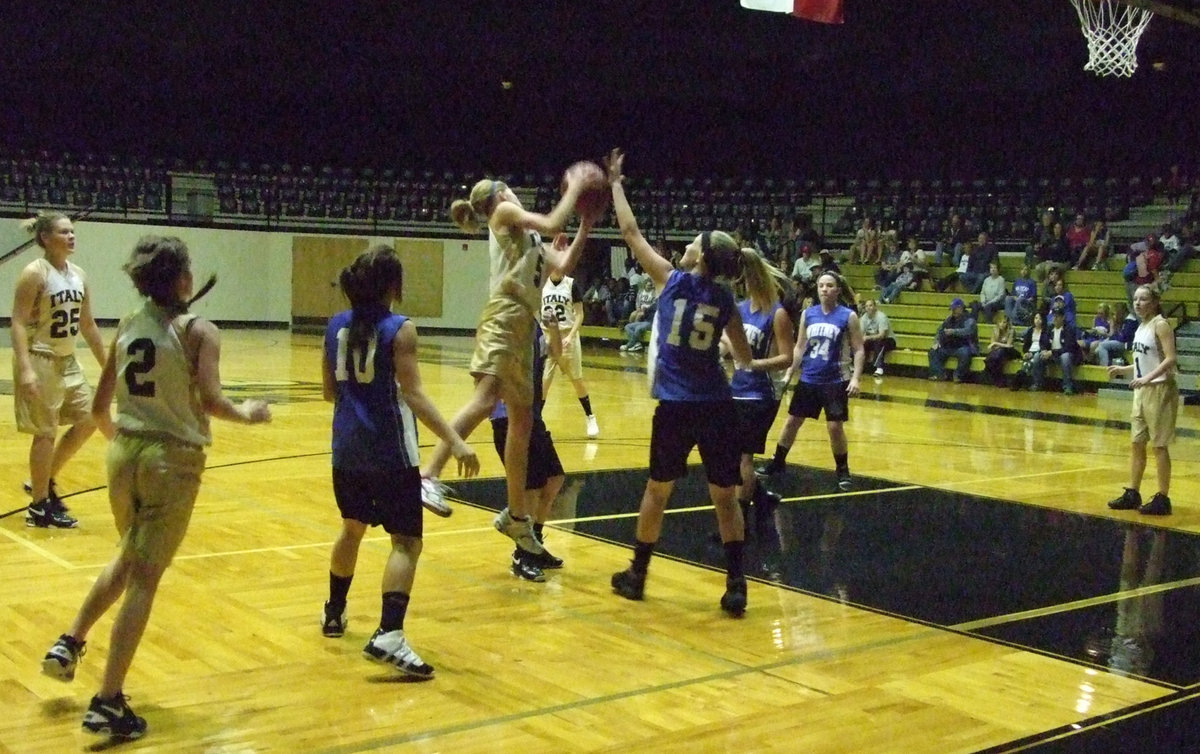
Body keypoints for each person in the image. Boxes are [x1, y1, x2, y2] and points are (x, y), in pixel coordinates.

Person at [40, 236, 272, 739]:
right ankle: (107, 702)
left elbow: (101, 408)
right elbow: (212, 402)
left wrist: (129, 445)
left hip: (122, 452)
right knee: (144, 577)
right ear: (184, 279)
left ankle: (70, 641)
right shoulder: (200, 332)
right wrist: (249, 415)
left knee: (128, 556)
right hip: (172, 460)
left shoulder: (127, 324)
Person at [604, 149, 756, 617]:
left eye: (693, 241)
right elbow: (745, 359)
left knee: (657, 490)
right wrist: (730, 351)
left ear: (699, 258)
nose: (686, 244)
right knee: (724, 497)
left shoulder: (670, 281)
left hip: (675, 406)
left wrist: (615, 182)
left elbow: (629, 232)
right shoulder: (726, 297)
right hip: (715, 405)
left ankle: (637, 575)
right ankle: (736, 585)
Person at [320, 246, 480, 678]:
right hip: (390, 453)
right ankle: (389, 633)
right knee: (406, 542)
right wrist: (455, 441)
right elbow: (414, 395)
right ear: (394, 286)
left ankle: (334, 612)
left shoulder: (335, 325)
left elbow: (329, 393)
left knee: (351, 529)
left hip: (345, 450)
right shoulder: (400, 329)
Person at [418, 175, 593, 563]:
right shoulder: (503, 211)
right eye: (510, 188)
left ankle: (517, 517)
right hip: (503, 316)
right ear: (500, 194)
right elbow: (548, 223)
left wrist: (586, 225)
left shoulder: (527, 239)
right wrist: (576, 191)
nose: (515, 191)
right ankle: (428, 475)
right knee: (483, 401)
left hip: (524, 325)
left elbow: (563, 263)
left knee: (523, 420)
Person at [10, 211, 110, 528]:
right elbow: (17, 321)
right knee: (45, 432)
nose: (71, 236)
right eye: (64, 232)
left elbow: (89, 324)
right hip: (40, 357)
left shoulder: (78, 274)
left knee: (90, 417)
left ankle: (43, 479)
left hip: (67, 360)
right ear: (45, 238)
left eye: (72, 231)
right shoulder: (34, 273)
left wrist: (107, 366)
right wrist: (25, 368)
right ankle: (39, 506)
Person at [757, 271, 865, 492]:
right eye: (821, 285)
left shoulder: (848, 316)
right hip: (809, 378)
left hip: (835, 380)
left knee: (834, 427)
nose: (824, 289)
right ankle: (778, 462)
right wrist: (789, 373)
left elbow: (859, 349)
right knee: (792, 421)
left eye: (829, 285)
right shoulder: (809, 314)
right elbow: (799, 347)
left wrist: (855, 378)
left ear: (837, 290)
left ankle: (843, 469)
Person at [725, 250, 795, 541]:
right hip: (737, 389)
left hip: (761, 393)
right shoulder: (740, 309)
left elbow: (787, 358)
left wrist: (754, 364)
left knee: (743, 458)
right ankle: (762, 497)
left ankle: (738, 526)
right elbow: (732, 348)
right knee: (732, 456)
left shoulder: (776, 313)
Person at [1107, 285, 1178, 516]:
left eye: (1143, 299)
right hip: (1142, 389)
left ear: (1154, 302)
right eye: (1135, 299)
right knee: (1137, 443)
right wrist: (1124, 369)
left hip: (1159, 390)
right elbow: (1143, 361)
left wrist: (1146, 378)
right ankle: (1133, 492)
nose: (1138, 303)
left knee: (1159, 445)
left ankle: (1162, 497)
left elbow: (1170, 359)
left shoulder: (1161, 325)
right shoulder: (1141, 326)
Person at [541, 269, 600, 438]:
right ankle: (535, 420)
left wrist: (571, 336)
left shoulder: (571, 284)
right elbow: (535, 312)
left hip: (568, 335)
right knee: (543, 382)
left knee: (577, 380)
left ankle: (590, 417)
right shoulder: (542, 285)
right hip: (548, 337)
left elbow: (580, 314)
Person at [1031, 304, 1082, 395]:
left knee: (1065, 357)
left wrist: (1052, 352)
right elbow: (1042, 342)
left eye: (1057, 316)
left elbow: (1068, 347)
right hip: (1052, 355)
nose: (1054, 318)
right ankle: (1037, 383)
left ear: (1063, 317)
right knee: (1037, 356)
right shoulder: (1048, 328)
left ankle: (1068, 386)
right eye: (1053, 316)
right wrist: (1043, 350)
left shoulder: (1069, 329)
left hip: (1067, 355)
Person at [928, 298, 978, 383]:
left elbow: (968, 331)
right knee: (933, 351)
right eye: (952, 309)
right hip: (949, 346)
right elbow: (939, 331)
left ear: (961, 308)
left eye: (954, 309)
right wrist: (936, 342)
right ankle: (940, 374)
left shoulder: (969, 320)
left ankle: (958, 375)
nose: (952, 311)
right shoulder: (948, 319)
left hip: (963, 346)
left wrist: (953, 331)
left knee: (965, 353)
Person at [619, 276, 659, 352]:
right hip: (645, 319)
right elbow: (639, 303)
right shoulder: (642, 293)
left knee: (638, 328)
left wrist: (645, 309)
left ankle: (629, 345)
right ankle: (636, 343)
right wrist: (641, 308)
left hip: (652, 322)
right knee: (628, 326)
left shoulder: (657, 301)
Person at [859, 299, 896, 377]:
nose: (869, 308)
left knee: (880, 341)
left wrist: (867, 337)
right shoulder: (864, 318)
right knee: (860, 343)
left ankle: (879, 367)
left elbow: (882, 335)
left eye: (871, 305)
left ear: (875, 307)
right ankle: (859, 365)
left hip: (888, 339)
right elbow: (861, 334)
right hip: (873, 340)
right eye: (866, 306)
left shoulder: (881, 317)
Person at [983, 313, 1020, 388]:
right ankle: (1000, 380)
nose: (1002, 324)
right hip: (998, 352)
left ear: (1007, 323)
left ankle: (994, 376)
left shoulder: (1011, 331)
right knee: (997, 357)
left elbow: (1009, 345)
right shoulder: (995, 330)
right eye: (1000, 322)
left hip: (1010, 352)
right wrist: (997, 345)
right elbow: (992, 346)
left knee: (998, 354)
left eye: (1004, 322)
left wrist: (997, 343)